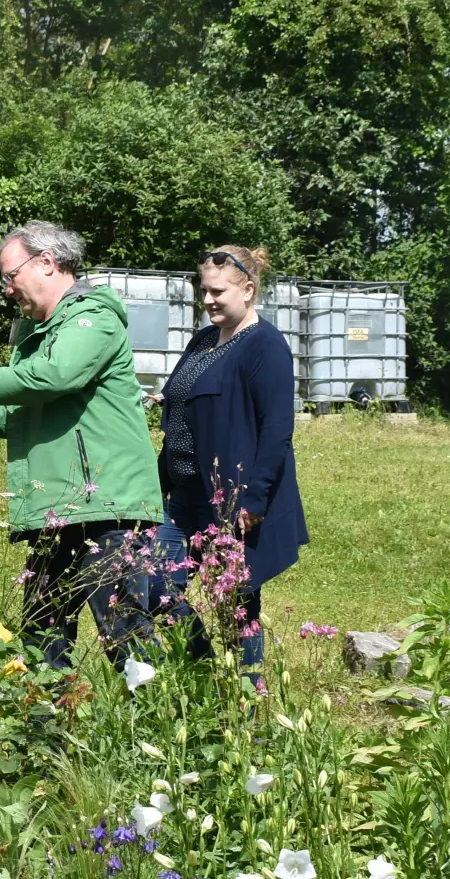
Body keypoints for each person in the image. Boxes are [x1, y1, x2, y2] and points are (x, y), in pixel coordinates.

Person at [0, 221, 163, 673]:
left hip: (105, 504)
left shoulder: (94, 318)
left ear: (47, 263)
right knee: (41, 635)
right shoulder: (40, 335)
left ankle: (153, 727)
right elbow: (25, 416)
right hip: (60, 506)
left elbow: (56, 376)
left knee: (124, 630)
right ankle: (46, 733)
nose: (7, 290)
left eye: (10, 276)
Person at [150, 246, 308, 675]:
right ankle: (203, 668)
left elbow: (277, 430)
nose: (207, 300)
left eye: (217, 291)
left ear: (249, 290)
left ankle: (248, 696)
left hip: (226, 502)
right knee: (154, 585)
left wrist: (253, 502)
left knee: (237, 603)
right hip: (179, 490)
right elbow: (186, 392)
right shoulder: (203, 340)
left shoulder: (266, 347)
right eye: (203, 290)